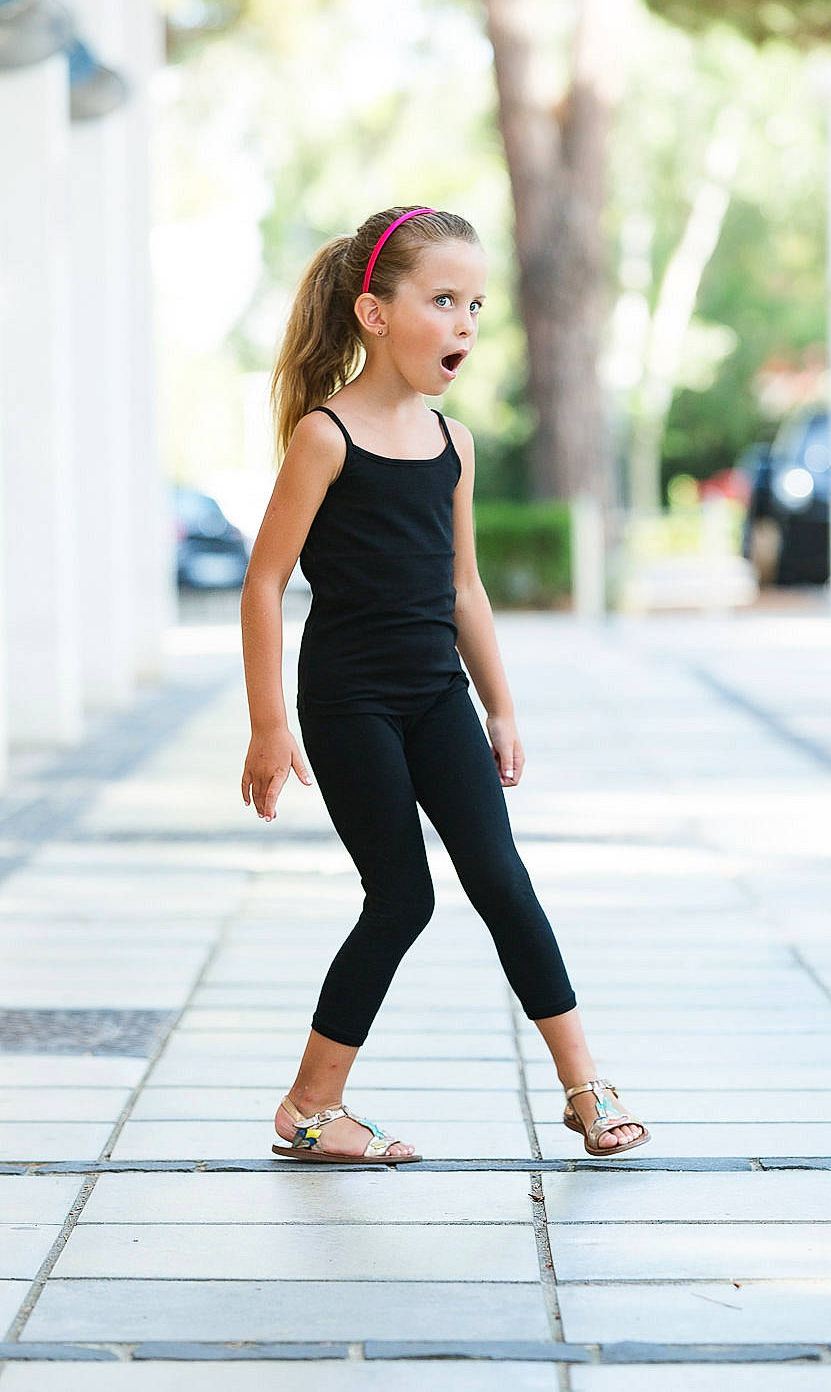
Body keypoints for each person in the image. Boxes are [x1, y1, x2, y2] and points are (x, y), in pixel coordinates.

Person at [240, 205, 651, 1165]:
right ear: (375, 314)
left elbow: (463, 587)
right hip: (348, 702)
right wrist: (268, 726)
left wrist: (500, 705)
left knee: (501, 877)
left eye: (476, 304)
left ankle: (586, 1089)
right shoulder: (326, 436)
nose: (465, 322)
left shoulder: (454, 444)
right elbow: (265, 582)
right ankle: (309, 1105)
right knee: (402, 896)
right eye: (442, 301)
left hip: (436, 697)